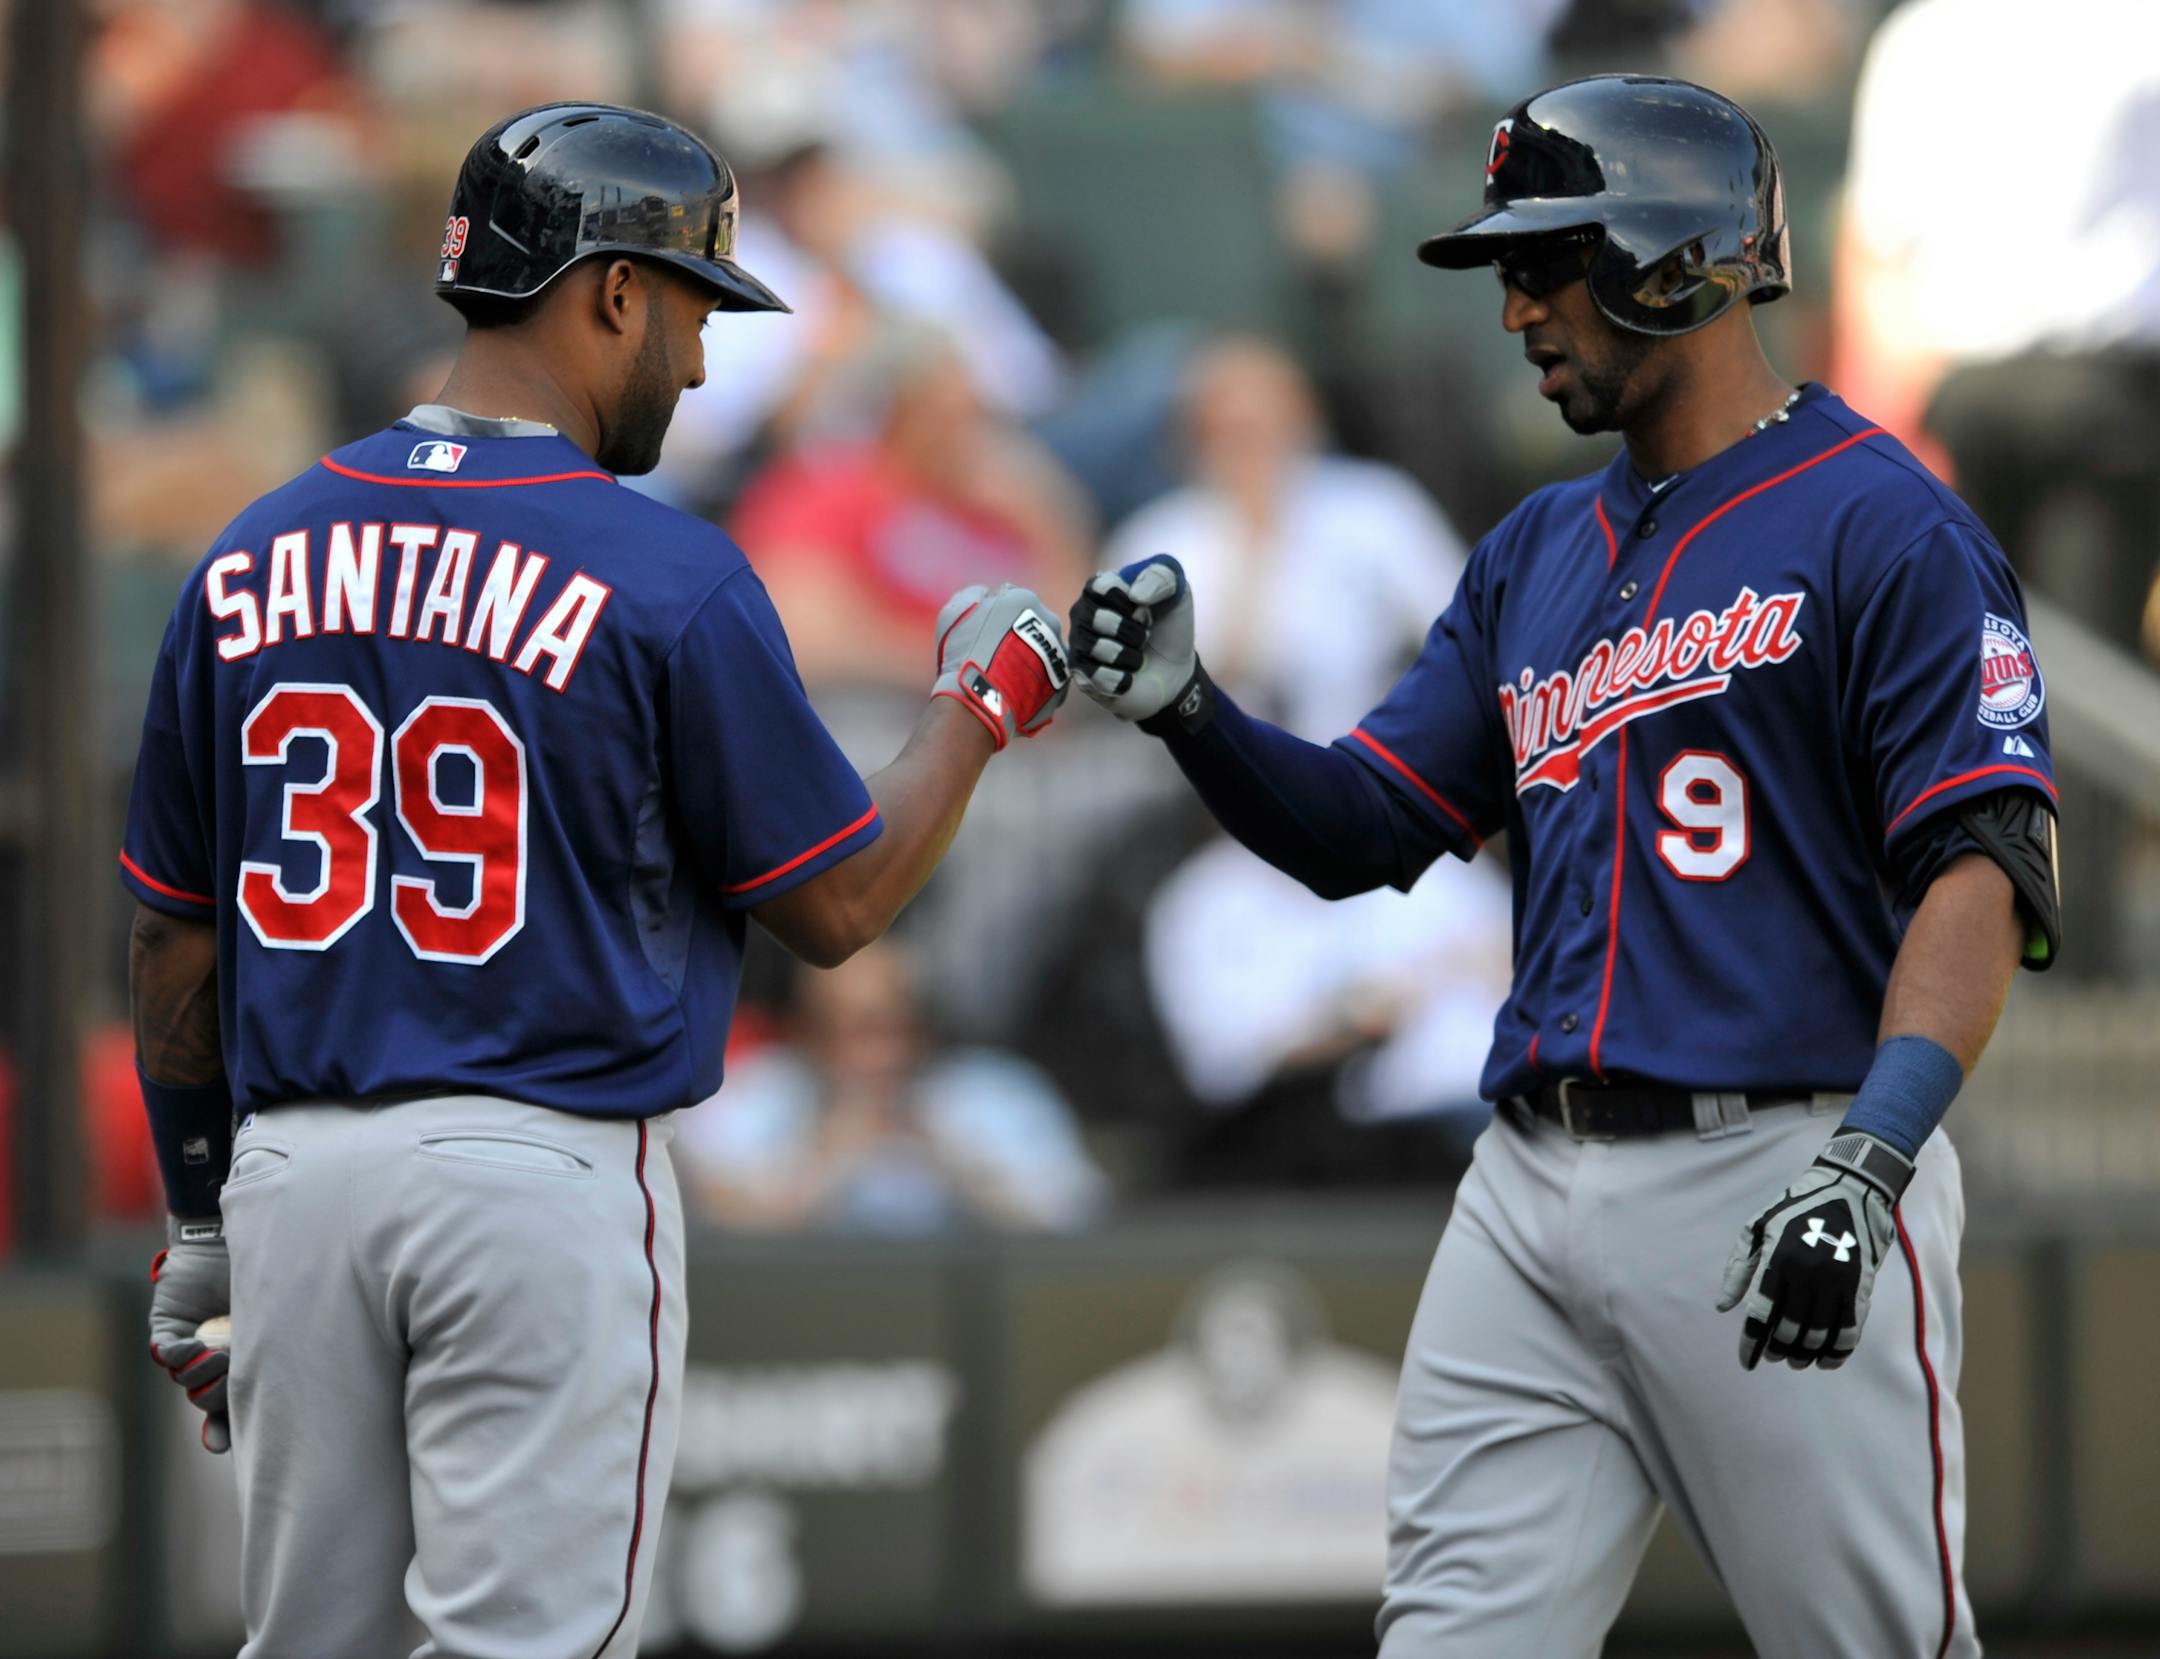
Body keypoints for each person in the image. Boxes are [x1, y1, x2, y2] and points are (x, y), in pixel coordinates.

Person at [1069, 75, 2061, 1659]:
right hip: (1529, 1182)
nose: (1519, 305)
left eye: (1549, 260)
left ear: (1672, 258)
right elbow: (1360, 830)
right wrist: (1194, 714)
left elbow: (1983, 861)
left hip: (1782, 1160)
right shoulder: (1531, 552)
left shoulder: (1883, 522)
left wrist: (1872, 1159)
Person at [121, 102, 1069, 1659]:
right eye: (691, 309)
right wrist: (978, 708)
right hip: (532, 1168)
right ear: (613, 291)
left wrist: (203, 1210)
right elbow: (835, 903)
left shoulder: (245, 555)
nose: (698, 364)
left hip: (293, 1183)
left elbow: (172, 941)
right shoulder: (663, 569)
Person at [676, 937, 1106, 1233]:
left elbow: (1073, 1216)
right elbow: (711, 1216)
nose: (881, 1056)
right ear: (807, 1034)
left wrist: (953, 1157)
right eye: (856, 1032)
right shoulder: (758, 1093)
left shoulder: (990, 1093)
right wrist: (827, 1161)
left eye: (896, 1029)